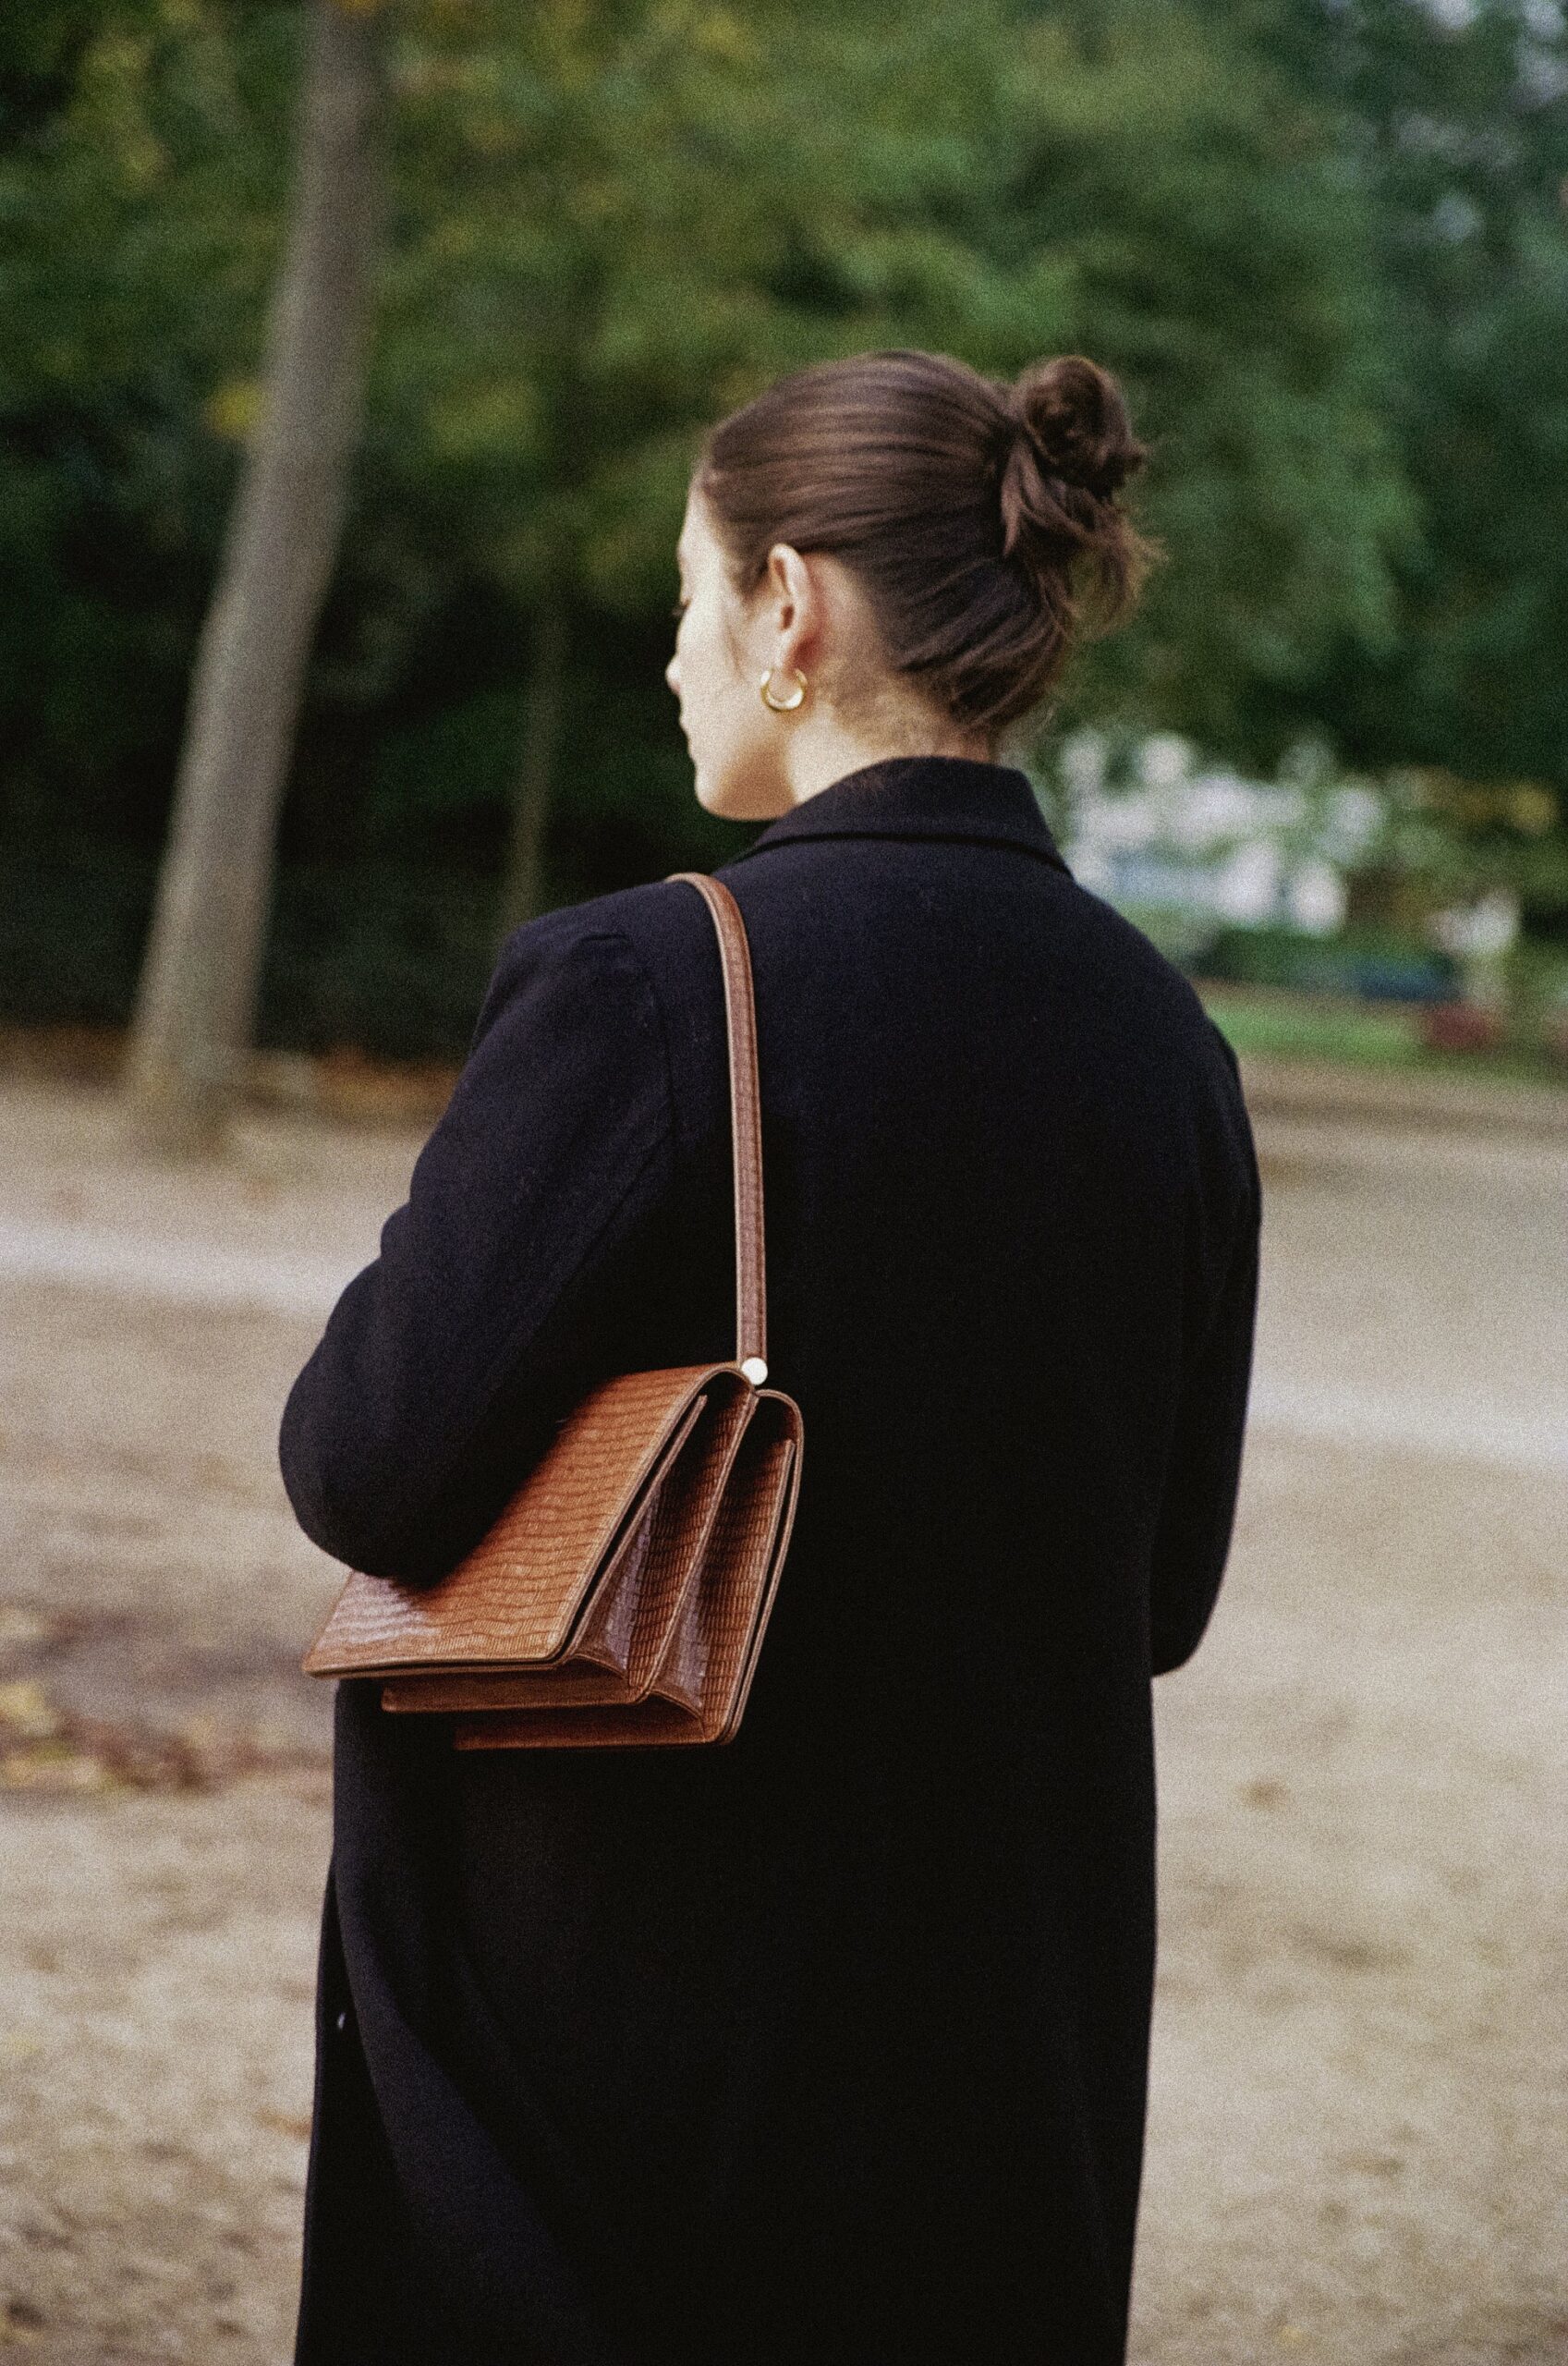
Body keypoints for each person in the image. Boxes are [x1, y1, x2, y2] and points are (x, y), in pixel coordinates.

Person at [279, 346, 1262, 2366]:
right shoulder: (1166, 1039)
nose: (672, 658)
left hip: (629, 2016)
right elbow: (1158, 1594)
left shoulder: (639, 978)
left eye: (686, 597)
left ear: (789, 606)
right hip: (1005, 2026)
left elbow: (364, 1461)